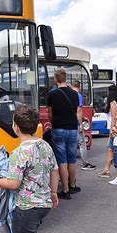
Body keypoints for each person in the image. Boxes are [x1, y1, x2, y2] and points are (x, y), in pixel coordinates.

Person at [0, 105, 59, 233]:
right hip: (44, 204)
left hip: (27, 207)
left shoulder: (20, 152)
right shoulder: (45, 145)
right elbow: (55, 171)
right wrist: (54, 193)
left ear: (15, 127)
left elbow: (13, 183)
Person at [47, 68, 80, 200]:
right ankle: (73, 185)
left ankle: (65, 190)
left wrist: (54, 122)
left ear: (55, 79)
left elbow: (50, 113)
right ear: (65, 78)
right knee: (72, 158)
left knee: (62, 160)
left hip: (58, 129)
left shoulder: (52, 94)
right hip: (72, 129)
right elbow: (76, 111)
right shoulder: (74, 94)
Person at [97, 85, 117, 178]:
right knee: (113, 150)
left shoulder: (112, 103)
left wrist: (111, 130)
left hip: (114, 130)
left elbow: (113, 117)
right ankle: (107, 169)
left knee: (112, 150)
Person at [70, 80, 96, 170]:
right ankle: (85, 163)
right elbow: (78, 111)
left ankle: (69, 164)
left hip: (67, 123)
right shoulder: (78, 96)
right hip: (75, 123)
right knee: (82, 143)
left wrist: (83, 117)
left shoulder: (67, 94)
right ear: (79, 87)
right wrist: (81, 124)